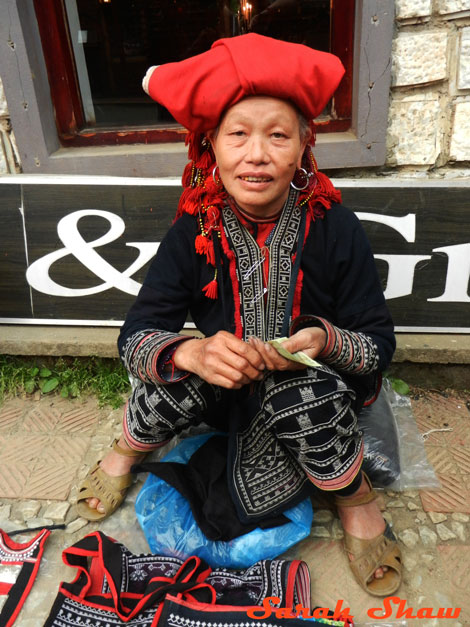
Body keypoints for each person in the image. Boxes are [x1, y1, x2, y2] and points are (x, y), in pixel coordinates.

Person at [77, 33, 401, 597]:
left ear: (304, 146)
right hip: (224, 390)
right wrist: (193, 350)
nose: (256, 155)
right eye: (238, 135)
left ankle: (356, 502)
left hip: (306, 392)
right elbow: (136, 335)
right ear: (211, 148)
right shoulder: (193, 230)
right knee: (170, 376)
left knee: (304, 396)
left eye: (277, 136)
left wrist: (322, 342)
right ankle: (124, 450)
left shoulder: (335, 226)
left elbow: (378, 344)